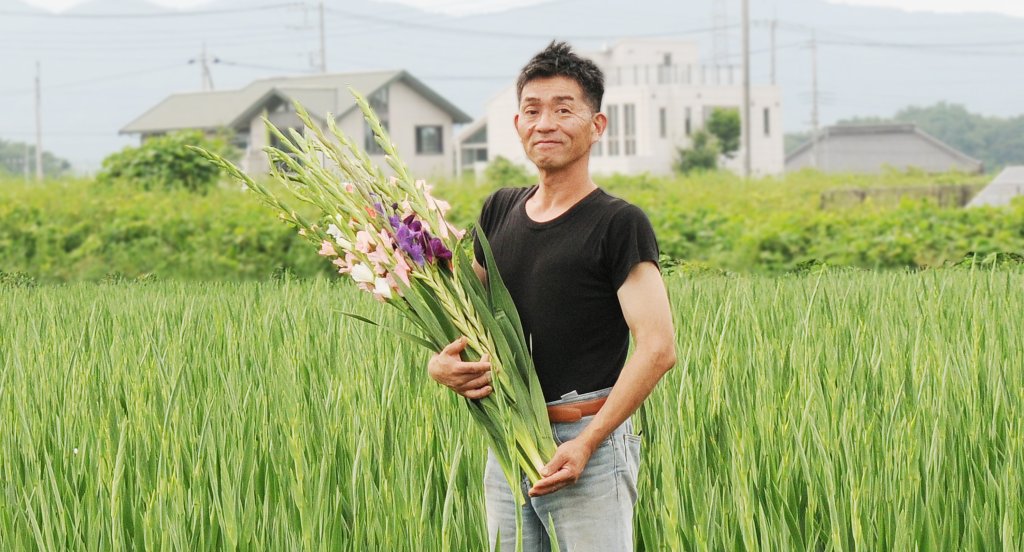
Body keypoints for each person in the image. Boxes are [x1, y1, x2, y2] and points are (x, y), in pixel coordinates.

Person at [427, 41, 677, 551]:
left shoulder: (617, 223)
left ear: (597, 126)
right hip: (507, 433)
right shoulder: (498, 210)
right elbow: (463, 314)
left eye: (565, 110)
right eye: (532, 111)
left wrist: (587, 445)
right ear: (518, 125)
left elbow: (658, 347)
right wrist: (440, 365)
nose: (546, 123)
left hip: (587, 440)